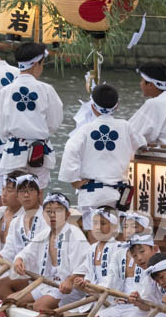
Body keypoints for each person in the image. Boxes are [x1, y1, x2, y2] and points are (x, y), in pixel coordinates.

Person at [60, 83, 146, 223]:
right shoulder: (125, 127)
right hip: (118, 193)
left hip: (91, 192)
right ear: (117, 106)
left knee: (91, 231)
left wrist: (74, 181)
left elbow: (70, 150)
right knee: (116, 231)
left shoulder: (85, 129)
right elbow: (142, 144)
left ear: (93, 107)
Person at [0, 41, 64, 191]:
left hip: (14, 151)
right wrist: (37, 132)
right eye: (42, 64)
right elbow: (54, 122)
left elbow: (0, 127)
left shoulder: (5, 92)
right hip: (40, 151)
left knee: (14, 194)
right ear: (35, 65)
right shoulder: (46, 90)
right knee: (36, 194)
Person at [0, 192, 86, 311]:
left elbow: (84, 265)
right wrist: (19, 259)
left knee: (39, 306)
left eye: (58, 211)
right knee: (11, 299)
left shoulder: (75, 234)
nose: (52, 215)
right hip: (47, 284)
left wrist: (69, 280)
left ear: (67, 214)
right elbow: (27, 252)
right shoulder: (45, 234)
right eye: (48, 211)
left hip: (69, 288)